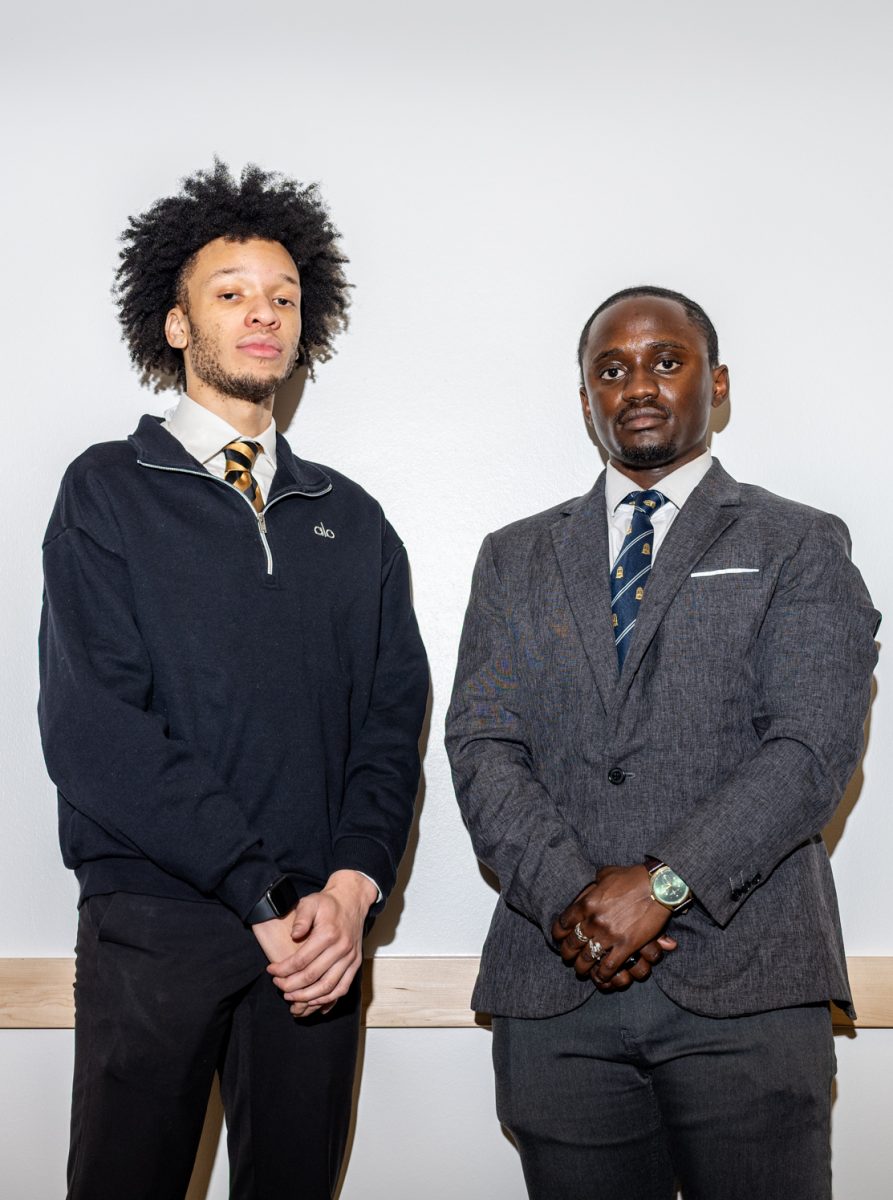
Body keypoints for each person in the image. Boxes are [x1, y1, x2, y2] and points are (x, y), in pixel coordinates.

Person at [38, 161, 428, 1200]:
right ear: (176, 325)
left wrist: (352, 889)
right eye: (231, 293)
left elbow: (389, 725)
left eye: (283, 298)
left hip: (317, 942)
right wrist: (256, 889)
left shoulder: (354, 519)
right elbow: (94, 728)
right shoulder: (106, 491)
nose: (263, 313)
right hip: (154, 923)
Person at [445, 286, 879, 1200]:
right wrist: (575, 899)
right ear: (585, 401)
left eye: (665, 362)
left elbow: (809, 747)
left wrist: (662, 885)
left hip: (749, 988)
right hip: (555, 990)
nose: (637, 385)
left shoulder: (797, 542)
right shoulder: (512, 556)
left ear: (715, 384)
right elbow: (484, 744)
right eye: (611, 370)